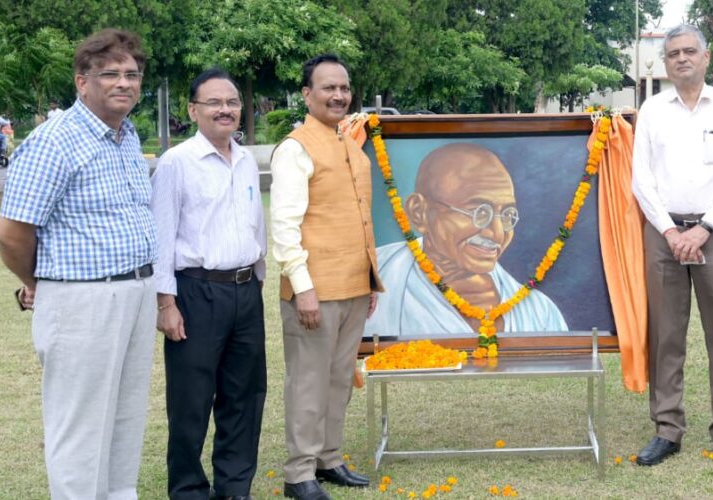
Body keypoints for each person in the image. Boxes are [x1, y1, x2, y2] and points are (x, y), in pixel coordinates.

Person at [0, 29, 157, 499]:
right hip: (81, 299)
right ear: (82, 82)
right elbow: (11, 232)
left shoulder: (125, 136)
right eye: (110, 74)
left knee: (125, 420)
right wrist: (35, 280)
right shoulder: (54, 142)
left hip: (135, 292)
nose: (124, 83)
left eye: (132, 74)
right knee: (81, 429)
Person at [630, 24, 713, 472]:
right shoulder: (652, 109)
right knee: (665, 333)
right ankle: (667, 428)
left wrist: (702, 229)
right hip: (662, 234)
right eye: (673, 53)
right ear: (665, 63)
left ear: (706, 56)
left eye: (689, 51)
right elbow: (642, 179)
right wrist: (668, 231)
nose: (681, 58)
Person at [151, 68, 268, 500]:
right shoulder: (176, 163)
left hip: (244, 290)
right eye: (214, 102)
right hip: (195, 292)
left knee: (245, 394)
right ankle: (187, 489)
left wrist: (256, 279)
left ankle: (235, 487)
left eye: (232, 102)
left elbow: (254, 225)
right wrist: (166, 303)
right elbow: (161, 237)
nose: (225, 109)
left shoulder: (246, 160)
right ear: (192, 110)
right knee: (191, 400)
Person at [270, 53, 383, 500]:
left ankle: (329, 459)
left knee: (339, 379)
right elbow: (284, 226)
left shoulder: (349, 144)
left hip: (353, 285)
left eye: (344, 87)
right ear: (306, 94)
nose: (339, 95)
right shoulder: (296, 148)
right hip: (313, 291)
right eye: (328, 88)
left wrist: (369, 282)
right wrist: (304, 289)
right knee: (308, 381)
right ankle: (299, 473)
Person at [365, 143, 568, 338]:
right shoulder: (374, 274)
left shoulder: (538, 313)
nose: (497, 233)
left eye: (507, 215)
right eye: (479, 212)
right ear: (419, 213)